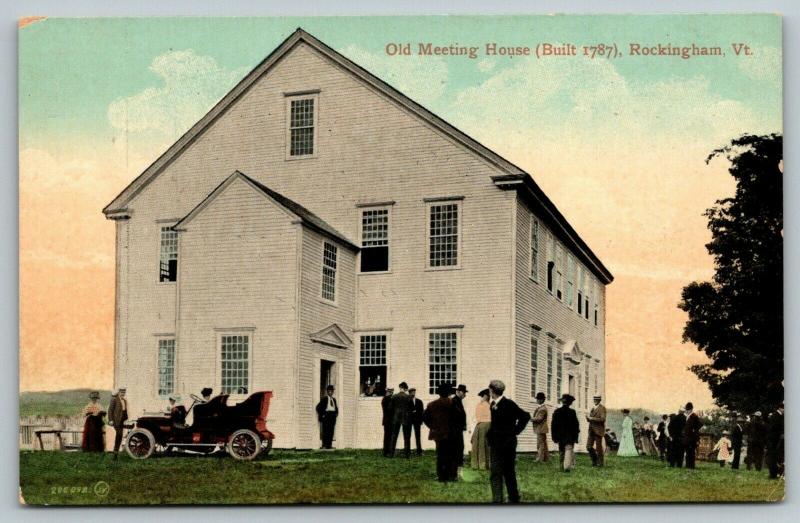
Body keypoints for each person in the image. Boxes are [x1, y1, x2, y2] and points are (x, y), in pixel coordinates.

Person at [486, 380, 530, 503]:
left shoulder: (509, 404)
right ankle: (499, 499)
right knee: (497, 471)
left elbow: (525, 416)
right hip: (496, 443)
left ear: (491, 391)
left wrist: (515, 431)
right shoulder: (493, 404)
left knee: (507, 471)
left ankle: (512, 498)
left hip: (507, 444)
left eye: (489, 390)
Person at [423, 383, 459, 482]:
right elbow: (458, 418)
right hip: (450, 433)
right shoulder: (453, 403)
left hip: (438, 434)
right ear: (448, 393)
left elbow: (425, 417)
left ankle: (441, 476)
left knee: (440, 455)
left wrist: (433, 426)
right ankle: (451, 475)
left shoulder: (431, 404)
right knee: (451, 454)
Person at [551, 393, 579, 472]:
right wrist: (575, 437)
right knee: (568, 450)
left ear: (562, 402)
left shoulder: (557, 412)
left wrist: (554, 436)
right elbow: (576, 426)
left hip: (560, 435)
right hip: (569, 436)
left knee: (561, 451)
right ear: (570, 403)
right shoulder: (572, 412)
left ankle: (561, 467)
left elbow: (553, 426)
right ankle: (566, 467)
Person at [389, 382, 414, 458]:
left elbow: (390, 408)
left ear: (400, 387)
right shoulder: (409, 397)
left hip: (396, 418)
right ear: (406, 388)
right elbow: (412, 408)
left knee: (394, 436)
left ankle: (391, 454)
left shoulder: (394, 396)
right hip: (406, 418)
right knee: (406, 437)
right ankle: (407, 454)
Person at [470, 388, 491, 470]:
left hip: (479, 425)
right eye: (488, 395)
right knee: (485, 445)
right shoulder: (487, 405)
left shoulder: (479, 405)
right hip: (486, 425)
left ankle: (476, 464)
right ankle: (484, 465)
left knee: (478, 445)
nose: (489, 397)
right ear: (485, 396)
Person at [315, 384, 338, 449]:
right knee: (325, 431)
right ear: (327, 391)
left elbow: (336, 408)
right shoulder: (325, 399)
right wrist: (323, 415)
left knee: (331, 431)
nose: (331, 392)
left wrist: (336, 414)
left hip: (332, 416)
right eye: (330, 391)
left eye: (332, 391)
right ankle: (324, 445)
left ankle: (329, 445)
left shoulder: (334, 399)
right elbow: (318, 407)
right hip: (326, 416)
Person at [452, 384, 468, 476]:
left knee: (459, 449)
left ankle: (458, 470)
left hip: (458, 430)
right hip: (455, 431)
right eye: (464, 392)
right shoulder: (454, 401)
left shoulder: (459, 401)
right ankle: (456, 471)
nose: (465, 394)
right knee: (457, 449)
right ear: (458, 392)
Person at [585, 395, 606, 466]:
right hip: (591, 430)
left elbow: (603, 419)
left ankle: (600, 462)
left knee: (598, 447)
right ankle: (595, 460)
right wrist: (587, 418)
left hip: (598, 430)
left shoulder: (602, 408)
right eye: (594, 399)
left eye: (597, 399)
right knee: (588, 447)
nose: (595, 400)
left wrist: (592, 418)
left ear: (599, 400)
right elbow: (590, 420)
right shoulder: (592, 408)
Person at [765, 403, 784, 479]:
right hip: (773, 440)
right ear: (780, 408)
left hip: (776, 440)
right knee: (772, 458)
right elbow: (773, 429)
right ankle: (772, 474)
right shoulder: (775, 416)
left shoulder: (780, 416)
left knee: (776, 457)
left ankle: (776, 473)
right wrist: (781, 434)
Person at [108, 387, 129, 456]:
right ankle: (115, 450)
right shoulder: (114, 399)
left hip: (122, 420)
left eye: (124, 392)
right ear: (119, 392)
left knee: (120, 435)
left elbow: (125, 411)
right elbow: (110, 410)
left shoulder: (125, 401)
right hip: (116, 420)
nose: (123, 394)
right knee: (119, 434)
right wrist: (110, 420)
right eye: (121, 392)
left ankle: (116, 451)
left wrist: (126, 419)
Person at [682, 402, 703, 469]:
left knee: (691, 452)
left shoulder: (694, 416)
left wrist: (694, 431)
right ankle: (688, 465)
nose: (686, 411)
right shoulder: (688, 416)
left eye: (687, 410)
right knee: (688, 452)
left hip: (692, 438)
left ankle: (691, 466)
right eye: (686, 409)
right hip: (687, 437)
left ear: (690, 409)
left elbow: (699, 425)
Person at [530, 392, 549, 462]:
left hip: (541, 428)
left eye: (538, 399)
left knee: (540, 444)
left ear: (541, 400)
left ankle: (539, 459)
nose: (537, 400)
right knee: (543, 443)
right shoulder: (541, 408)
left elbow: (539, 419)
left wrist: (530, 418)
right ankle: (545, 458)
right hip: (542, 428)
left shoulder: (542, 409)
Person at [409, 388, 424, 456]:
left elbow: (421, 412)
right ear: (409, 393)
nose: (413, 393)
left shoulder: (419, 401)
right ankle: (408, 450)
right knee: (408, 436)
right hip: (409, 421)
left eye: (414, 392)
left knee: (418, 436)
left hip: (417, 421)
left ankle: (419, 451)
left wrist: (421, 421)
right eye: (412, 392)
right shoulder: (407, 401)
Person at [381, 387, 394, 457]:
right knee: (388, 436)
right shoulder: (387, 399)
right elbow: (389, 410)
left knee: (387, 436)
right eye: (390, 392)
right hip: (389, 420)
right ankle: (386, 451)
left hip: (387, 420)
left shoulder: (385, 399)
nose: (391, 393)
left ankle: (386, 451)